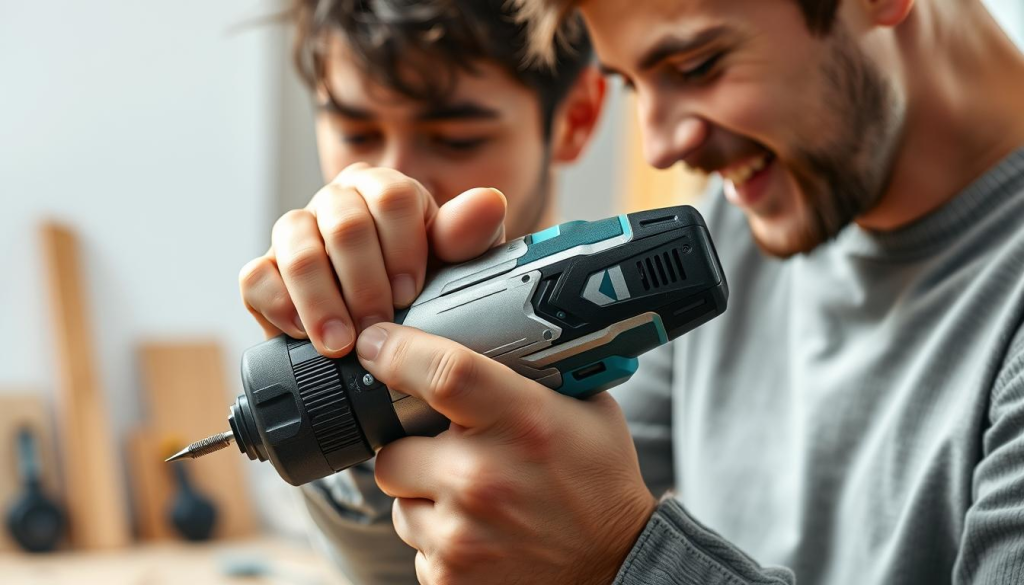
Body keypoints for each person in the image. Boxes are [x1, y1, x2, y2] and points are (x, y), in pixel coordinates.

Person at [251, 0, 1024, 583]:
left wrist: (627, 558)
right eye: (631, 83)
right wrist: (364, 396)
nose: (660, 144)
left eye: (697, 66)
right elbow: (488, 536)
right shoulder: (737, 229)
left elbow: (587, 541)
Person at [237, 0, 605, 582]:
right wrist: (359, 413)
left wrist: (618, 552)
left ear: (578, 117)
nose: (396, 182)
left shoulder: (660, 351)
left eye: (457, 138)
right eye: (356, 131)